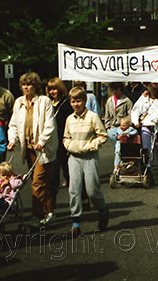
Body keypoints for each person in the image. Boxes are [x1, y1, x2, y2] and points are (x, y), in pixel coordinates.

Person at [7, 72, 57, 226]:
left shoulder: (44, 102)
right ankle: (49, 211)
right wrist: (12, 140)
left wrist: (42, 141)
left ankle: (36, 216)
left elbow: (50, 124)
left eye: (29, 84)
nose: (26, 87)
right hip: (28, 149)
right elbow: (14, 124)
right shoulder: (18, 102)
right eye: (24, 85)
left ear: (35, 86)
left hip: (42, 149)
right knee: (43, 182)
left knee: (37, 182)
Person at [63, 87, 109, 239]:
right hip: (74, 157)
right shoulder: (69, 119)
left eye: (79, 101)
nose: (76, 104)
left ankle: (102, 210)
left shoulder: (92, 117)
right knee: (74, 190)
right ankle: (75, 224)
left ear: (85, 101)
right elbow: (66, 137)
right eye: (73, 101)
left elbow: (102, 136)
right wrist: (69, 146)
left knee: (92, 190)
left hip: (90, 156)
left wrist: (91, 146)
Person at [46, 77, 73, 203]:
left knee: (71, 174)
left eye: (55, 89)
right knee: (52, 177)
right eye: (50, 89)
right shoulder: (47, 104)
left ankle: (82, 198)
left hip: (65, 143)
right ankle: (51, 206)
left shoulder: (67, 104)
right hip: (53, 145)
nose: (52, 92)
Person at [131, 83, 158, 172]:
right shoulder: (144, 98)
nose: (154, 91)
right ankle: (148, 168)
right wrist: (135, 122)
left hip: (156, 127)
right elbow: (135, 110)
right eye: (152, 89)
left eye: (155, 89)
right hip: (145, 126)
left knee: (157, 149)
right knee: (146, 149)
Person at [102, 82, 133, 173]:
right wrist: (107, 127)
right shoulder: (109, 100)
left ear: (120, 89)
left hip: (122, 128)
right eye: (112, 90)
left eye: (116, 89)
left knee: (118, 149)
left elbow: (130, 115)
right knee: (117, 149)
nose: (114, 92)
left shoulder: (126, 100)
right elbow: (107, 114)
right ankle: (121, 165)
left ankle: (117, 168)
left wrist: (126, 126)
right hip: (112, 128)